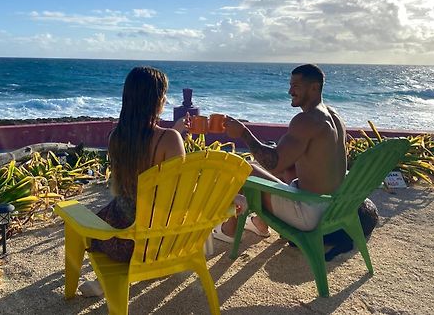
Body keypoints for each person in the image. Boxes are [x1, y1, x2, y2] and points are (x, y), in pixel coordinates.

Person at [212, 64, 347, 242]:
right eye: (290, 85)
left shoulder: (306, 120)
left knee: (243, 168)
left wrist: (243, 133)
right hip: (333, 205)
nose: (290, 91)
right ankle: (260, 223)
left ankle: (229, 229)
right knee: (287, 168)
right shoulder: (333, 116)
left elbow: (273, 163)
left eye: (296, 86)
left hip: (308, 213)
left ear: (314, 87)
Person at [90, 66, 186, 262]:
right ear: (157, 100)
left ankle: (108, 280)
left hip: (120, 241)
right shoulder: (169, 140)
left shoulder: (116, 138)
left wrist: (174, 133)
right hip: (161, 241)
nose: (165, 99)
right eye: (164, 94)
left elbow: (139, 156)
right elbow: (183, 191)